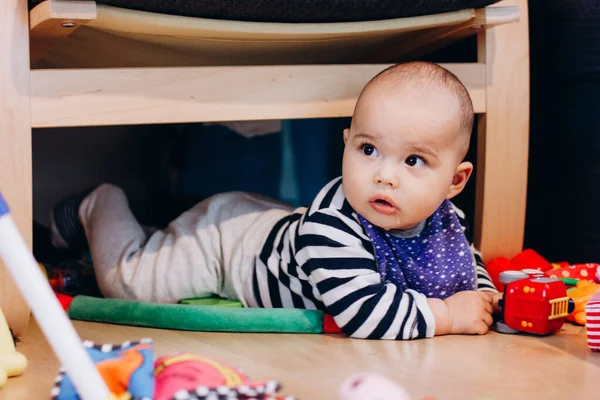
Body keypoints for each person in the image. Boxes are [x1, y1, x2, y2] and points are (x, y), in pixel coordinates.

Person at [50, 61, 500, 340]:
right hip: (227, 248)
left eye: (414, 161)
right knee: (128, 279)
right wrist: (445, 315)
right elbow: (365, 314)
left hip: (268, 224)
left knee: (166, 247)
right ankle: (99, 203)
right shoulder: (332, 228)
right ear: (346, 144)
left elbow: (464, 260)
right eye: (368, 150)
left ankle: (157, 236)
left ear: (454, 182)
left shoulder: (444, 219)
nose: (385, 174)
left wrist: (484, 295)